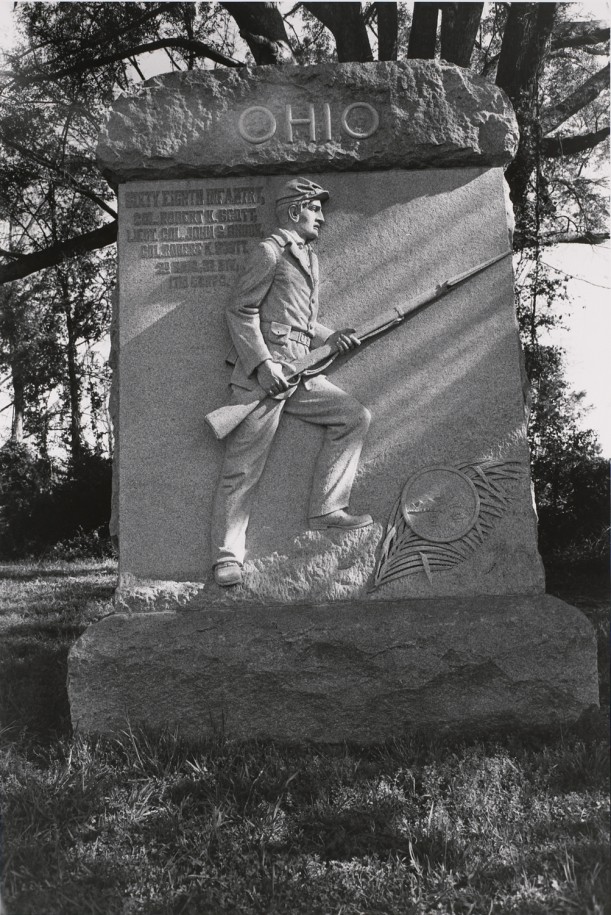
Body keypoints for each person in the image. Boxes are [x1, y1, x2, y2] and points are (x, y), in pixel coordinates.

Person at [211, 177, 372, 587]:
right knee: (243, 469)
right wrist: (263, 364)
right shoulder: (269, 252)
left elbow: (298, 319)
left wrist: (330, 338)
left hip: (301, 369)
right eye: (314, 208)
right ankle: (227, 557)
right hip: (265, 376)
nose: (320, 216)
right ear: (293, 210)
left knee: (353, 417)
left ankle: (327, 509)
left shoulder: (308, 257)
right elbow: (240, 310)